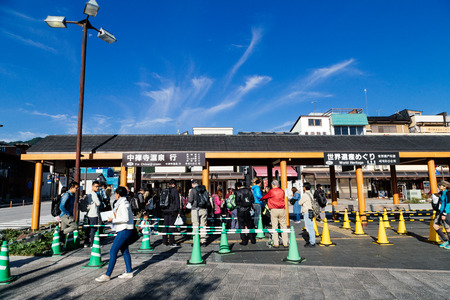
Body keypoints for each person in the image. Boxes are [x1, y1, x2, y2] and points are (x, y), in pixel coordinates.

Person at [96, 186, 134, 282]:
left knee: (113, 251)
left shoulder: (123, 204)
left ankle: (107, 275)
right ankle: (129, 272)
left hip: (124, 229)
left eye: (116, 193)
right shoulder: (122, 203)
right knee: (124, 251)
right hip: (124, 229)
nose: (115, 195)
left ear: (118, 194)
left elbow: (125, 218)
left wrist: (113, 220)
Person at [261, 180, 288, 248]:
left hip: (274, 209)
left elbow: (265, 197)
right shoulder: (282, 191)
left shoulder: (272, 191)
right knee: (283, 225)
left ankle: (276, 243)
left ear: (273, 185)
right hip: (282, 209)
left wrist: (260, 199)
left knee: (275, 226)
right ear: (278, 185)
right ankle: (285, 243)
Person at [161, 179, 181, 247]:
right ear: (174, 184)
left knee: (165, 225)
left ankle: (164, 240)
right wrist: (178, 210)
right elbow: (177, 201)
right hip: (173, 210)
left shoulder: (165, 190)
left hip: (165, 210)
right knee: (171, 226)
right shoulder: (175, 191)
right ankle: (171, 242)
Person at [188, 180, 208, 246]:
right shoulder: (204, 189)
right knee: (203, 225)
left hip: (195, 209)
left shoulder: (193, 190)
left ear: (193, 184)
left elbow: (190, 200)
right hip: (204, 209)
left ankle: (196, 241)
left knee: (195, 225)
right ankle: (203, 241)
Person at [432, 181, 450, 249]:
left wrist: (444, 214)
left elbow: (448, 204)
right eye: (439, 185)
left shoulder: (448, 193)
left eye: (441, 185)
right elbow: (437, 196)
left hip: (447, 212)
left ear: (445, 186)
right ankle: (445, 241)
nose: (439, 187)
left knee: (447, 228)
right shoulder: (442, 193)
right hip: (440, 212)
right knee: (435, 226)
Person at [299, 182, 315, 247]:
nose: (302, 188)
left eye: (303, 187)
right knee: (310, 226)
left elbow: (300, 202)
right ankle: (311, 241)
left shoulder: (305, 195)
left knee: (310, 227)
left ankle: (312, 242)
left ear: (304, 188)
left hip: (307, 212)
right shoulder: (310, 194)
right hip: (310, 211)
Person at [85, 180, 101, 247]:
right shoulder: (94, 194)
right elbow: (99, 203)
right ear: (92, 186)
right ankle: (93, 243)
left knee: (89, 228)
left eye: (98, 187)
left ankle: (86, 243)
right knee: (93, 229)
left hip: (89, 213)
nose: (97, 188)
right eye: (96, 186)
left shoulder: (89, 193)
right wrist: (97, 203)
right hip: (93, 213)